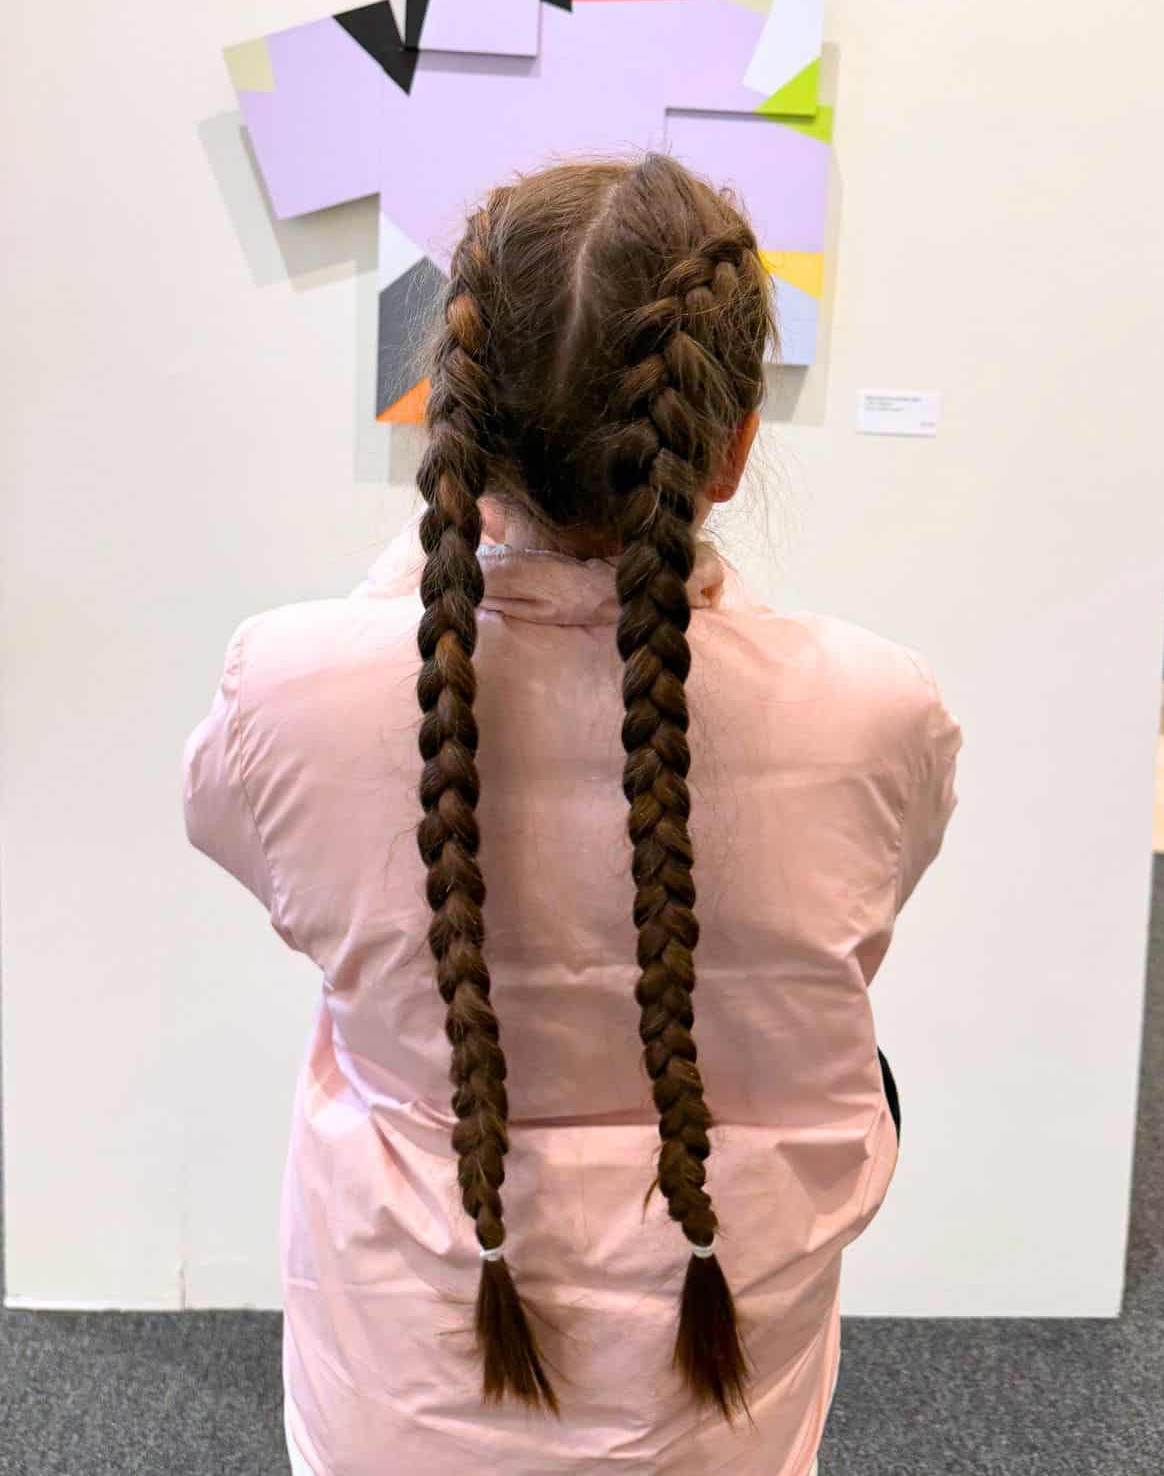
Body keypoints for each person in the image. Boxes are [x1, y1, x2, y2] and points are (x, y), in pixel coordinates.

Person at [182, 151, 963, 1476]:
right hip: (714, 1392)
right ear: (732, 450)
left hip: (402, 1381)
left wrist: (418, 583)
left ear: (451, 421)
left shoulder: (290, 687)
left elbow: (239, 833)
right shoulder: (879, 713)